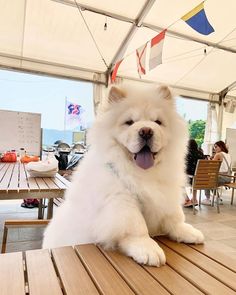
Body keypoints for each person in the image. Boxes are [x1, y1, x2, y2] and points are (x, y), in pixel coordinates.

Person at [202, 140, 232, 205]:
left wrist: (209, 159)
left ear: (221, 147)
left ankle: (207, 198)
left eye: (216, 147)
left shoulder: (218, 154)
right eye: (214, 147)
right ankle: (217, 198)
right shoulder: (228, 155)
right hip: (228, 178)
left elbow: (211, 166)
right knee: (212, 180)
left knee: (207, 179)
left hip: (221, 177)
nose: (214, 148)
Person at [184, 139, 205, 207]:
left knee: (177, 180)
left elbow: (185, 166)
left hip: (192, 178)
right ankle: (194, 199)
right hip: (202, 179)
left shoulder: (187, 153)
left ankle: (186, 199)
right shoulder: (201, 153)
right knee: (194, 175)